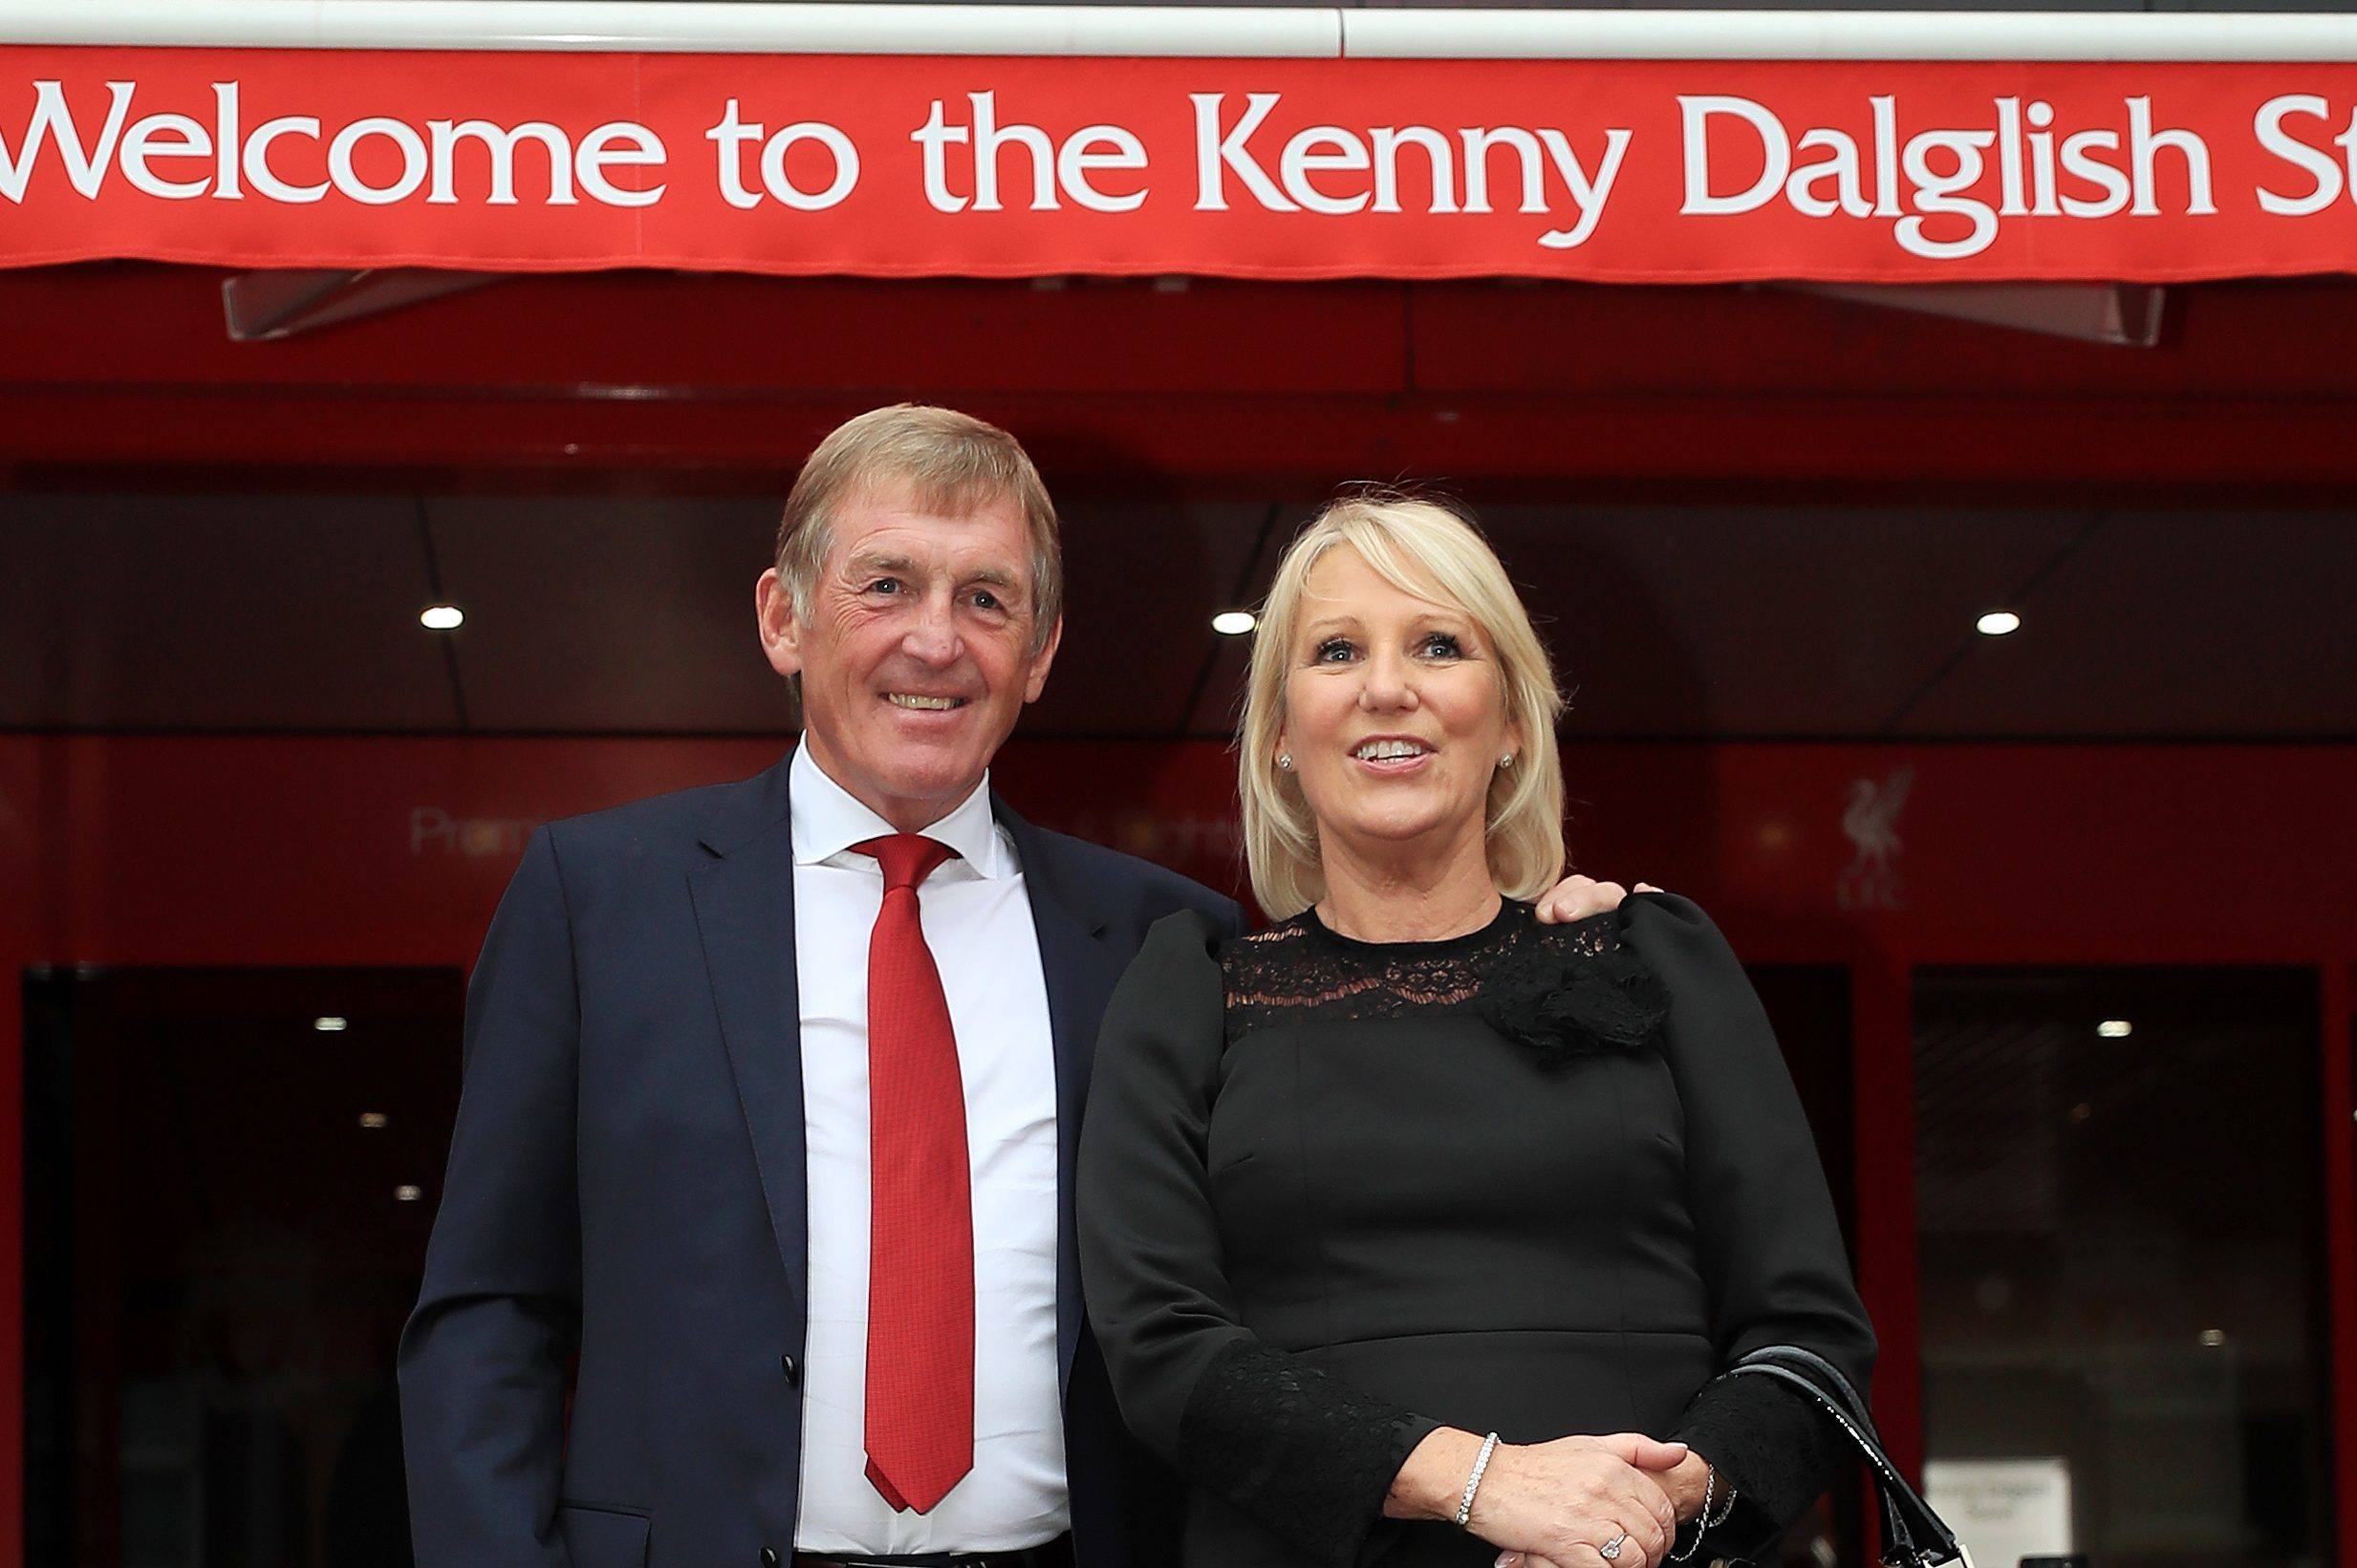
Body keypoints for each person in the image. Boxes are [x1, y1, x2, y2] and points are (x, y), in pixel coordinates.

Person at [398, 408, 1640, 1568]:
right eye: (884, 584)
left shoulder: (1169, 940)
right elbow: (489, 1312)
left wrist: (1521, 952)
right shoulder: (597, 898)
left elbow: (1321, 1263)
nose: (934, 639)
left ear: (1039, 652)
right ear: (783, 619)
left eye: (985, 599)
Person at [1076, 492, 1876, 1568]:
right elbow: (1162, 1352)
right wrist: (1489, 1484)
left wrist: (1645, 1510)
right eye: (1337, 651)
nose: (1387, 687)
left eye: (1439, 644)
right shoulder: (1190, 994)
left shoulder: (1656, 959)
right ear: (1277, 734)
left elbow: (1810, 1341)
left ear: (1509, 720)